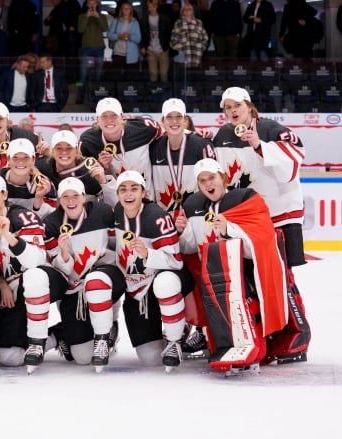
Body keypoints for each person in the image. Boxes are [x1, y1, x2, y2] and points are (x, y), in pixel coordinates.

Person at [213, 86, 310, 364]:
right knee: (255, 280)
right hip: (247, 220)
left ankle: (297, 335)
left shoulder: (270, 129)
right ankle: (267, 334)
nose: (232, 111)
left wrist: (259, 144)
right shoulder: (223, 135)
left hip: (280, 217)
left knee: (283, 278)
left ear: (249, 105)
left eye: (237, 105)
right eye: (227, 107)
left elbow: (294, 162)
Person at [177, 159, 288, 374]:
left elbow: (259, 243)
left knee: (245, 312)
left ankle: (253, 348)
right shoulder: (193, 207)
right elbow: (190, 248)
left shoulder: (245, 200)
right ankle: (222, 348)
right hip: (211, 280)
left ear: (223, 178)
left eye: (212, 178)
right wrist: (181, 231)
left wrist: (229, 229)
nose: (208, 184)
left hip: (244, 278)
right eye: (202, 181)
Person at [0, 173, 66, 374]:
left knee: (33, 278)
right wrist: (1, 283)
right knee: (7, 356)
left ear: (5, 194)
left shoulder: (22, 216)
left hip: (41, 280)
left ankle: (37, 342)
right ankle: (57, 337)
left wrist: (9, 236)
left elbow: (35, 261)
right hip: (13, 289)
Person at [112, 170, 191, 370]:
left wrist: (147, 254)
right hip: (137, 288)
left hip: (164, 278)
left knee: (165, 283)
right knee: (151, 359)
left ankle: (174, 339)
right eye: (123, 190)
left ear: (143, 192)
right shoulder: (117, 213)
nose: (128, 194)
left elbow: (176, 261)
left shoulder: (157, 217)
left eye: (134, 189)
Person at [43, 177, 124, 370]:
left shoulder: (102, 212)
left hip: (104, 274)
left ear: (83, 197)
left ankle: (108, 328)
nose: (71, 201)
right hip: (75, 286)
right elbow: (62, 270)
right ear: (59, 200)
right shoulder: (52, 224)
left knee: (97, 282)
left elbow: (115, 245)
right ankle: (62, 332)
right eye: (65, 197)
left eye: (75, 196)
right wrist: (63, 252)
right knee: (83, 356)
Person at [79, 97, 163, 207]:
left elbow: (165, 134)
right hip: (115, 206)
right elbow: (84, 172)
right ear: (97, 120)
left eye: (114, 115)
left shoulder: (143, 128)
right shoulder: (88, 140)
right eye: (104, 116)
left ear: (122, 117)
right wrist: (100, 166)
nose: (109, 120)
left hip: (147, 203)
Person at [150, 98, 215, 214]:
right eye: (169, 117)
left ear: (185, 120)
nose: (174, 121)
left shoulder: (201, 144)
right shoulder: (153, 147)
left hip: (196, 214)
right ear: (162, 122)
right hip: (163, 216)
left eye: (179, 117)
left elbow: (215, 182)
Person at [0, 138, 57, 220]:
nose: (20, 162)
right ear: (8, 159)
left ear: (33, 160)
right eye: (15, 157)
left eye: (26, 157)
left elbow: (49, 221)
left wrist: (38, 199)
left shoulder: (44, 184)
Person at [35, 129, 105, 201]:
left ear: (77, 150)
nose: (64, 152)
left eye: (69, 148)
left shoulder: (90, 171)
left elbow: (107, 204)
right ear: (52, 151)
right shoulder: (41, 168)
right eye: (59, 148)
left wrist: (104, 183)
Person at [76, 0, 109, 104]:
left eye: (94, 3)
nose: (92, 5)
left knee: (98, 74)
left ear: (97, 5)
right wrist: (87, 16)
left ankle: (97, 96)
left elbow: (105, 28)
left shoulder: (102, 16)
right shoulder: (81, 16)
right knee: (83, 74)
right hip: (86, 48)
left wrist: (97, 16)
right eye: (90, 3)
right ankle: (80, 95)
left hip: (99, 48)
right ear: (86, 5)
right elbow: (80, 30)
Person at [139, 0, 173, 83]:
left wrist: (169, 45)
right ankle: (154, 91)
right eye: (149, 7)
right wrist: (143, 46)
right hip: (151, 49)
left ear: (157, 6)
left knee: (164, 73)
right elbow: (142, 34)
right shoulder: (144, 19)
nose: (151, 8)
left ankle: (164, 92)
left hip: (163, 49)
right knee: (153, 73)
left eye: (153, 6)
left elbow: (170, 32)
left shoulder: (164, 18)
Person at [169, 2, 209, 68]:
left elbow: (205, 38)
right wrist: (180, 50)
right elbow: (173, 39)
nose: (187, 11)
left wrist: (201, 48)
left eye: (189, 9)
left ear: (193, 11)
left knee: (197, 77)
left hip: (197, 57)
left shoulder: (199, 22)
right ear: (182, 12)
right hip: (183, 59)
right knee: (184, 77)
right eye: (185, 9)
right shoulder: (178, 23)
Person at [108, 0, 142, 70]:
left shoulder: (135, 22)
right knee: (117, 77)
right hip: (117, 53)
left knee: (130, 77)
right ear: (121, 10)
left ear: (131, 10)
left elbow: (138, 39)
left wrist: (130, 36)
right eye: (124, 8)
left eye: (128, 8)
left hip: (132, 55)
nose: (126, 10)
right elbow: (109, 35)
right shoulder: (116, 21)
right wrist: (119, 36)